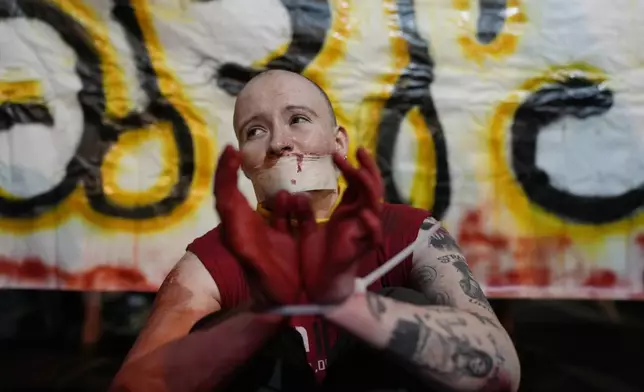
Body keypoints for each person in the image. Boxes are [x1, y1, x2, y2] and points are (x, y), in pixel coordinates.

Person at [111, 70, 520, 392]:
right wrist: (262, 315)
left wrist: (351, 306)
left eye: (298, 120)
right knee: (237, 338)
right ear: (243, 161)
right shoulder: (213, 258)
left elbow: (503, 371)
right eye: (255, 131)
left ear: (338, 142)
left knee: (401, 303)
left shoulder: (410, 232)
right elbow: (132, 385)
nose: (279, 143)